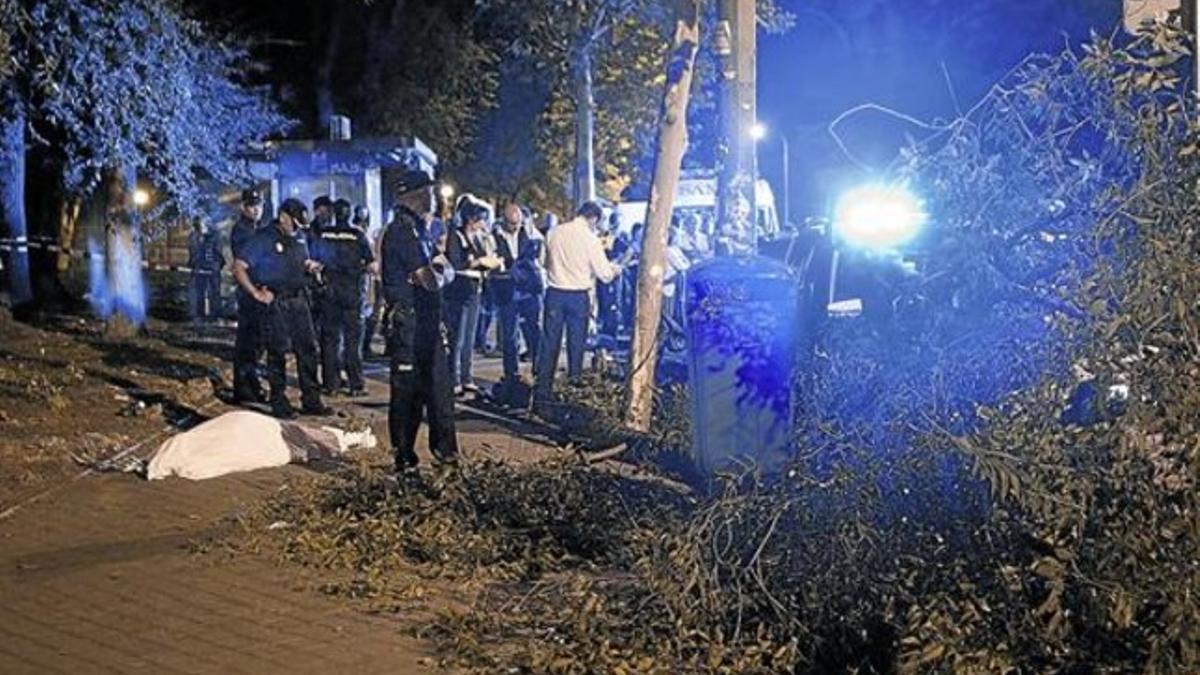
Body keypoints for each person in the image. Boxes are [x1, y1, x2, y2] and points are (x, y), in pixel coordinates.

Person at [380, 170, 459, 473]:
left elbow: (432, 272)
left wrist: (438, 268)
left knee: (439, 390)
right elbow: (429, 280)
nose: (434, 197)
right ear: (415, 194)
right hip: (409, 325)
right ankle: (403, 456)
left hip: (425, 323)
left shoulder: (417, 229)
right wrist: (442, 270)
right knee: (407, 393)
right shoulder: (403, 231)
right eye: (430, 191)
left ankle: (446, 456)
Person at [232, 198, 332, 420]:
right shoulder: (263, 238)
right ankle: (279, 400)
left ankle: (311, 400)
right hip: (275, 301)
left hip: (298, 300)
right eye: (294, 223)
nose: (297, 228)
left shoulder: (298, 236)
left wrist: (310, 266)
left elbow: (301, 259)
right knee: (277, 352)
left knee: (308, 350)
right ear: (283, 216)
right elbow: (238, 267)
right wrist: (256, 293)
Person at [535, 201, 624, 404]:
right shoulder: (590, 239)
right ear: (593, 218)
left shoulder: (553, 233)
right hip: (578, 296)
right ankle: (573, 393)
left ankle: (542, 392)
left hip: (555, 293)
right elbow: (604, 274)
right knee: (576, 346)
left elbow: (543, 262)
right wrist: (615, 269)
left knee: (550, 344)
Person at [313, 198, 373, 397]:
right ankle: (356, 384)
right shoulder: (357, 235)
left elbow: (314, 260)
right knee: (352, 341)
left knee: (330, 340)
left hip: (330, 294)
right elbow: (371, 263)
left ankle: (331, 384)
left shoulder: (323, 234)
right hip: (352, 294)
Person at [444, 196, 501, 395]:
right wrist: (478, 262)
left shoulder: (478, 238)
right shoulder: (456, 235)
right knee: (457, 337)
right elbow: (456, 262)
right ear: (471, 219)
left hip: (475, 287)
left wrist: (489, 260)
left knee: (469, 337)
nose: (483, 224)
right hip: (459, 289)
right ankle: (454, 378)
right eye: (480, 220)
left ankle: (467, 377)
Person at [491, 202, 545, 392]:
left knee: (534, 331)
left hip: (528, 289)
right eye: (511, 224)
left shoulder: (530, 233)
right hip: (506, 289)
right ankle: (511, 374)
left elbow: (540, 258)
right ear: (504, 220)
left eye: (518, 223)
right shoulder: (494, 235)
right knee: (509, 336)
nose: (515, 228)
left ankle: (540, 371)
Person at [230, 188, 266, 403]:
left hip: (256, 289)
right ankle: (244, 388)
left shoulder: (255, 228)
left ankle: (251, 384)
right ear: (243, 207)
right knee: (248, 342)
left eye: (259, 205)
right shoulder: (243, 230)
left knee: (256, 342)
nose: (256, 210)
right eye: (252, 206)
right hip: (249, 291)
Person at [187, 218, 224, 322]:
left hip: (212, 268)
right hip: (199, 268)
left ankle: (214, 315)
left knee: (214, 293)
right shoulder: (194, 235)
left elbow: (218, 252)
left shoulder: (215, 235)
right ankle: (199, 315)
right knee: (199, 292)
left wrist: (215, 265)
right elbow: (193, 251)